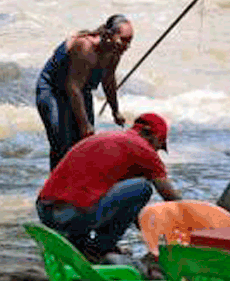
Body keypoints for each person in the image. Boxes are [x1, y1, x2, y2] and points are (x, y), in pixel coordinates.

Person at [35, 112, 182, 262]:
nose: (157, 152)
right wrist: (195, 226)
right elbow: (171, 198)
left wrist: (153, 238)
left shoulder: (107, 138)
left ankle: (82, 246)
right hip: (71, 215)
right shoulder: (144, 150)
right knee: (143, 187)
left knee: (91, 193)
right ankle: (99, 249)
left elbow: (130, 209)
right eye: (159, 145)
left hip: (46, 212)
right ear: (153, 136)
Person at [36, 14, 134, 171]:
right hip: (53, 90)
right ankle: (54, 188)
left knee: (84, 144)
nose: (126, 46)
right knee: (62, 141)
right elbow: (72, 87)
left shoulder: (115, 51)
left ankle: (76, 187)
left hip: (81, 90)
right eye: (123, 39)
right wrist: (84, 124)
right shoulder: (86, 47)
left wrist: (115, 110)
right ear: (109, 35)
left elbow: (108, 80)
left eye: (130, 41)